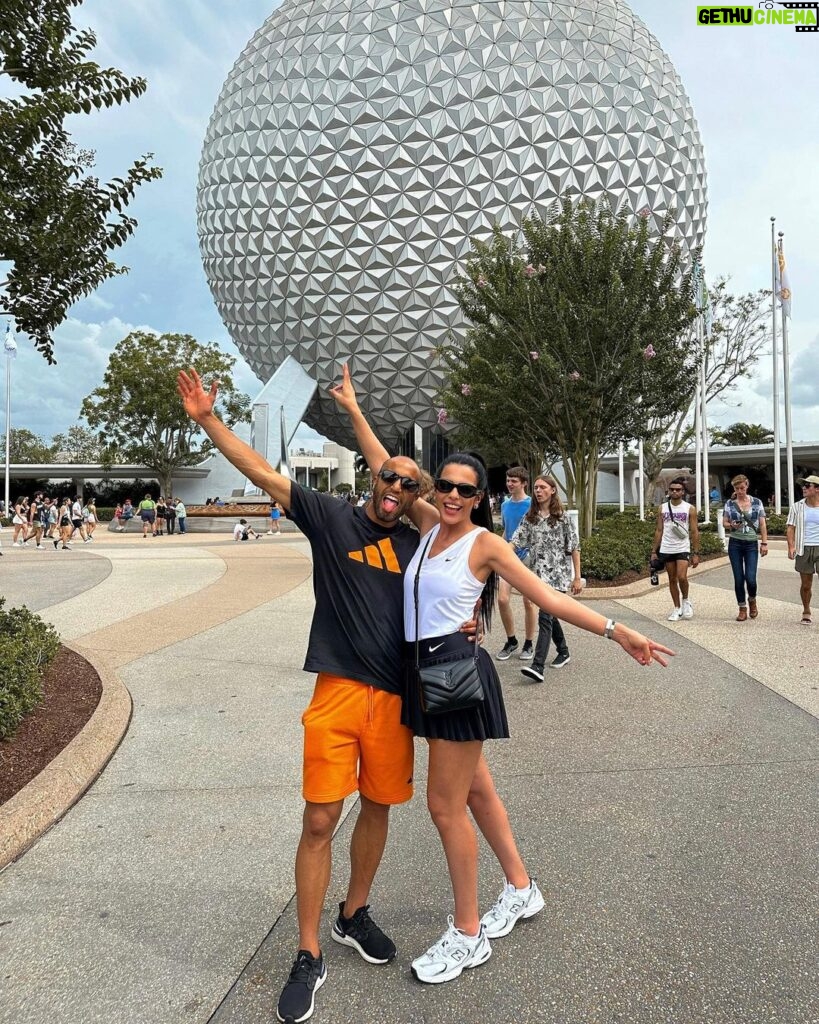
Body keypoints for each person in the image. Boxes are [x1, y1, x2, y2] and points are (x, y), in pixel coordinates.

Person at [331, 365, 673, 986]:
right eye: (447, 487)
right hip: (423, 671)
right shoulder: (430, 526)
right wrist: (356, 410)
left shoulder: (484, 543)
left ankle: (467, 934)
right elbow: (388, 466)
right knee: (478, 793)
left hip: (456, 673)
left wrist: (615, 630)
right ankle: (520, 888)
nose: (455, 496)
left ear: (481, 496)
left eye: (467, 489)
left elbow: (546, 594)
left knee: (445, 806)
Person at [178, 367, 476, 1024]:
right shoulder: (329, 517)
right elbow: (262, 472)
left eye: (407, 482)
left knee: (378, 808)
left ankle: (352, 913)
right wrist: (207, 420)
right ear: (372, 482)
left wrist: (465, 615)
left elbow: (458, 554)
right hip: (337, 692)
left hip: (396, 700)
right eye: (386, 478)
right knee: (319, 820)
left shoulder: (421, 542)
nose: (394, 487)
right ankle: (308, 950)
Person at [510, 476, 582, 681]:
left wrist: (577, 577)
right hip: (537, 577)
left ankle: (537, 665)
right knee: (551, 615)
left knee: (545, 616)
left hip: (558, 576)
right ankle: (564, 651)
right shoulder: (530, 517)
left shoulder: (563, 517)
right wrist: (498, 558)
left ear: (552, 490)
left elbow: (575, 547)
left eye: (542, 487)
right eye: (535, 488)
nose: (538, 491)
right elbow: (515, 541)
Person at [496, 468, 536, 661]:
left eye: (514, 481)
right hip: (509, 556)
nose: (510, 484)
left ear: (524, 483)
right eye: (508, 480)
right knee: (502, 599)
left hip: (528, 557)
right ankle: (512, 641)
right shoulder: (504, 505)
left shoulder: (532, 504)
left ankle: (529, 643)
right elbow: (507, 531)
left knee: (529, 602)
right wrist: (499, 549)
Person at [650, 477, 700, 621]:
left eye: (678, 490)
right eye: (672, 489)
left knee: (682, 577)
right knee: (672, 579)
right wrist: (654, 551)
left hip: (682, 547)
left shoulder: (689, 508)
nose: (674, 492)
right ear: (669, 491)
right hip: (666, 547)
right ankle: (676, 608)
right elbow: (659, 530)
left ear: (683, 492)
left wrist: (696, 553)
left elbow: (695, 531)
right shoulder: (662, 508)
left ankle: (686, 601)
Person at [723, 474, 767, 622]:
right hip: (735, 543)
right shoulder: (730, 503)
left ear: (747, 486)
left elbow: (762, 524)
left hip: (751, 544)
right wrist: (731, 525)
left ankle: (752, 600)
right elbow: (724, 523)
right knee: (738, 578)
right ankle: (742, 607)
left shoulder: (757, 502)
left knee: (751, 578)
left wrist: (764, 543)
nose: (740, 491)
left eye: (742, 488)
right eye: (737, 488)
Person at [786, 474, 819, 625]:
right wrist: (791, 546)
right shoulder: (797, 506)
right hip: (803, 548)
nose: (804, 488)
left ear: (817, 489)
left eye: (807, 485)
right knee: (806, 585)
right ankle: (806, 610)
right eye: (803, 486)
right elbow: (790, 527)